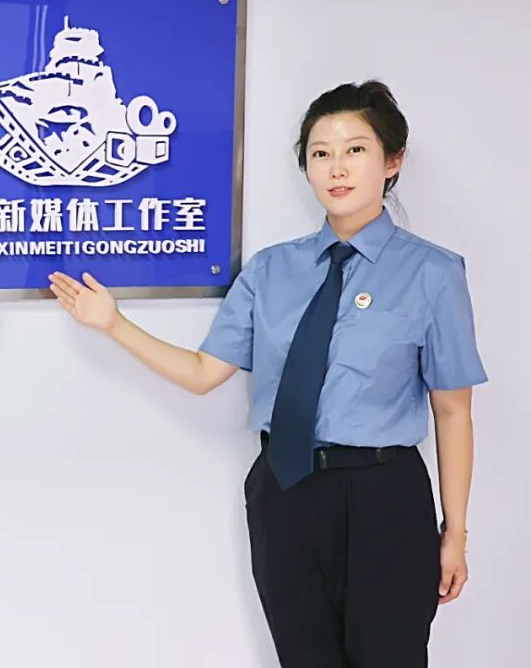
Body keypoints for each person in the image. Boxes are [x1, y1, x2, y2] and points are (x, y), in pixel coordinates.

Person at [49, 80, 485, 667]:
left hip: (384, 495)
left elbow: (453, 410)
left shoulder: (433, 273)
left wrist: (455, 532)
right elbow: (204, 371)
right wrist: (114, 324)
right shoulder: (271, 270)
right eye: (320, 153)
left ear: (392, 161)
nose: (336, 167)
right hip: (286, 490)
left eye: (355, 149)